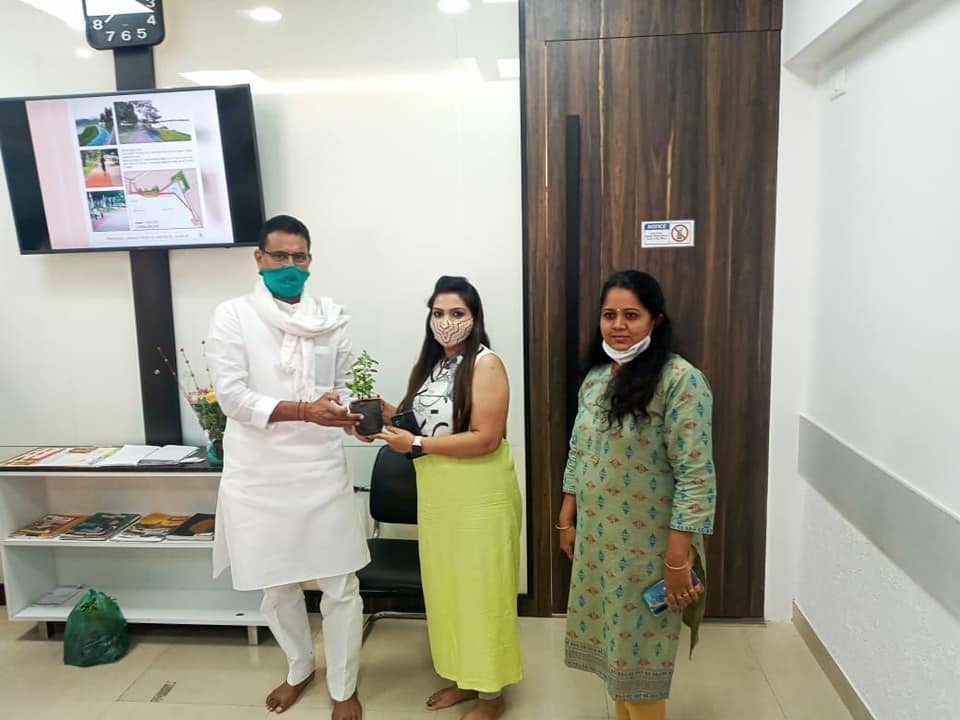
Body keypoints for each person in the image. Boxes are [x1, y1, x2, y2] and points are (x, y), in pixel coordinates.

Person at [206, 214, 369, 719]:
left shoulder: (331, 317)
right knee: (276, 583)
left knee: (340, 584)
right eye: (279, 256)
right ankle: (300, 667)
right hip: (259, 473)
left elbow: (340, 388)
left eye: (300, 257)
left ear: (311, 261)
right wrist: (304, 411)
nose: (290, 266)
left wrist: (354, 419)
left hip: (319, 467)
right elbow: (232, 398)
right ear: (259, 259)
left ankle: (343, 685)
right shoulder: (233, 316)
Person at [557, 270, 717, 720]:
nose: (618, 325)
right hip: (598, 543)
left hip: (652, 549)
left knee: (641, 662)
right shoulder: (596, 378)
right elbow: (579, 451)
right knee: (616, 656)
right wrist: (566, 518)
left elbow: (696, 476)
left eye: (631, 315)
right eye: (609, 315)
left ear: (655, 320)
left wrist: (677, 561)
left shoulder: (681, 381)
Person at [370, 275, 522, 720]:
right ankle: (465, 678)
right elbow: (422, 423)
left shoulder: (486, 364)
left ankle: (492, 697)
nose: (446, 321)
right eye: (438, 313)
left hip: (479, 498)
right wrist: (386, 414)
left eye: (457, 313)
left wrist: (416, 445)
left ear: (474, 318)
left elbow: (486, 438)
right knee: (449, 593)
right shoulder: (433, 366)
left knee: (481, 594)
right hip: (439, 497)